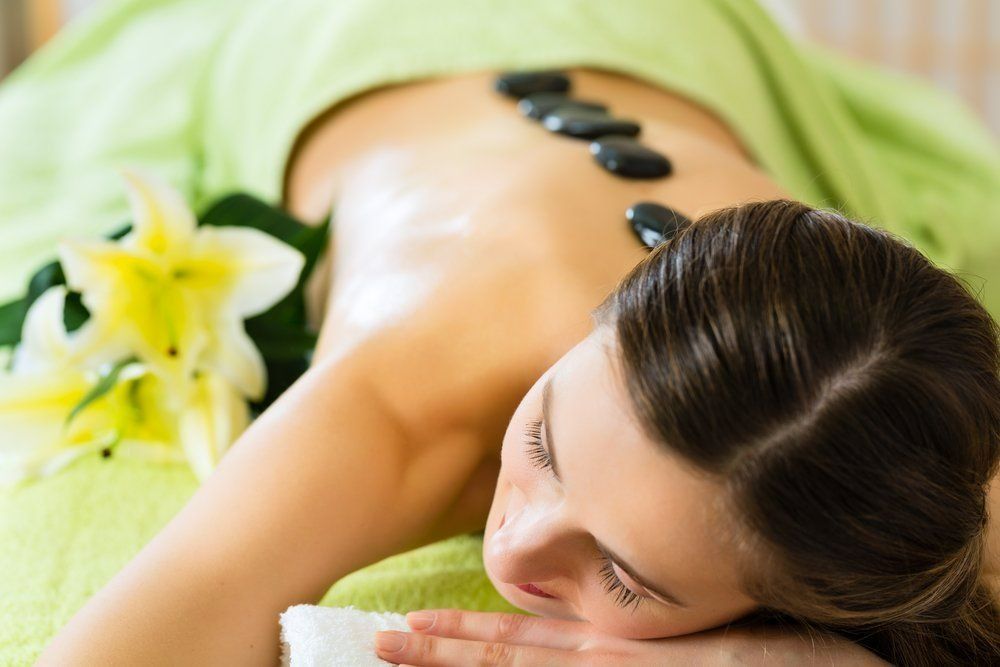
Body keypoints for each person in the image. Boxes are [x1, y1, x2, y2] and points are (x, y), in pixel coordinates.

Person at [36, 65, 999, 666]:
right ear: (595, 327)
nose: (514, 549)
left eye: (626, 578)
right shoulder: (412, 377)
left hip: (692, 52)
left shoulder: (890, 440)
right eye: (543, 440)